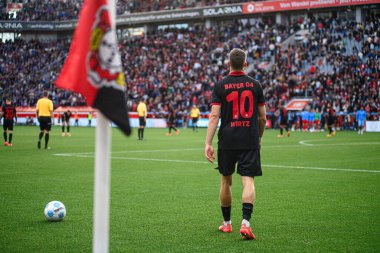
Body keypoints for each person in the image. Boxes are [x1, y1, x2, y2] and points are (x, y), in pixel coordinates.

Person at [205, 48, 266, 240]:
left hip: (227, 139)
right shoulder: (255, 85)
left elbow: (215, 116)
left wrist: (207, 142)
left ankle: (227, 224)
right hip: (249, 138)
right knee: (248, 180)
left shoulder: (221, 85)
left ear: (228, 64)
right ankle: (246, 224)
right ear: (245, 64)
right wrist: (259, 137)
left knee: (226, 180)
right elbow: (263, 117)